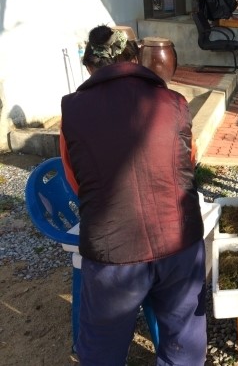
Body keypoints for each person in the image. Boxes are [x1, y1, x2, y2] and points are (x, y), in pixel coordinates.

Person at [60, 25, 206, 365]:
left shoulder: (73, 111)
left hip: (113, 251)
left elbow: (74, 179)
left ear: (90, 67)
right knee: (184, 344)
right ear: (135, 59)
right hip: (180, 241)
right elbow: (189, 162)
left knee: (103, 350)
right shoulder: (174, 102)